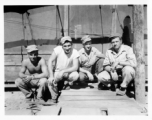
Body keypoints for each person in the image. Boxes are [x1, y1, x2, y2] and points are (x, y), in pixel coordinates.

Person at [48, 36, 79, 103]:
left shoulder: (75, 52)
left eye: (69, 45)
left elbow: (75, 67)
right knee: (51, 82)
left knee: (76, 75)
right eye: (65, 46)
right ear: (62, 46)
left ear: (72, 45)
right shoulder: (57, 49)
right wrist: (51, 75)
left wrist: (64, 71)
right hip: (58, 71)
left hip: (68, 71)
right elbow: (50, 61)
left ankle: (65, 84)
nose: (67, 48)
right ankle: (54, 96)